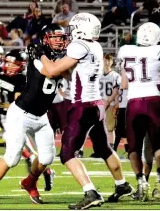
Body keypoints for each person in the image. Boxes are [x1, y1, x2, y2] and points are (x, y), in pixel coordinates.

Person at [40, 13, 134, 209]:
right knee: (103, 148)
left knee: (67, 153)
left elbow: (52, 71)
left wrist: (40, 54)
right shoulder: (95, 46)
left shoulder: (78, 46)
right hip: (96, 104)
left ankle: (90, 192)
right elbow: (70, 73)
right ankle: (122, 184)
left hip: (82, 106)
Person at [0, 23, 67, 205]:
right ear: (45, 40)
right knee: (13, 157)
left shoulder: (59, 57)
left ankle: (30, 183)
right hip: (21, 113)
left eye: (61, 37)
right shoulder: (38, 55)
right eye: (55, 37)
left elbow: (68, 72)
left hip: (41, 116)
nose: (59, 41)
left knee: (47, 157)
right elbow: (51, 70)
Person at [119, 22, 160, 201]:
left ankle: (141, 185)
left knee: (133, 148)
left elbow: (124, 84)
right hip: (154, 101)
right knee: (158, 146)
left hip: (133, 103)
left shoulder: (126, 50)